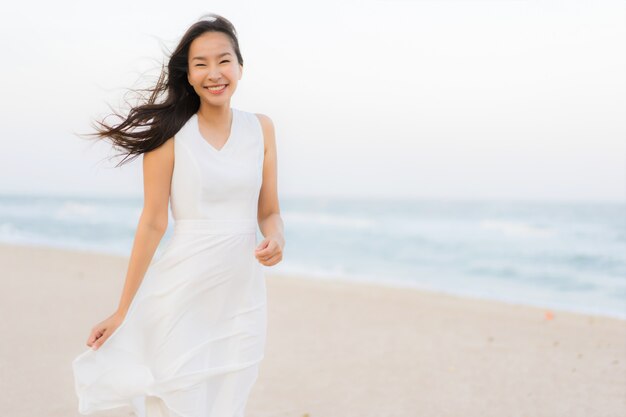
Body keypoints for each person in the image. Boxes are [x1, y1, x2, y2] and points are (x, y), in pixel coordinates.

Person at [71, 13, 285, 417]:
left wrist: (277, 238)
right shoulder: (170, 135)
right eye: (200, 64)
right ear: (187, 76)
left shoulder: (262, 129)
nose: (214, 73)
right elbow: (153, 222)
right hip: (182, 289)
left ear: (240, 66)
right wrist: (123, 310)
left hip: (241, 296)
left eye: (223, 60)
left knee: (227, 403)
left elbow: (269, 211)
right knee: (179, 399)